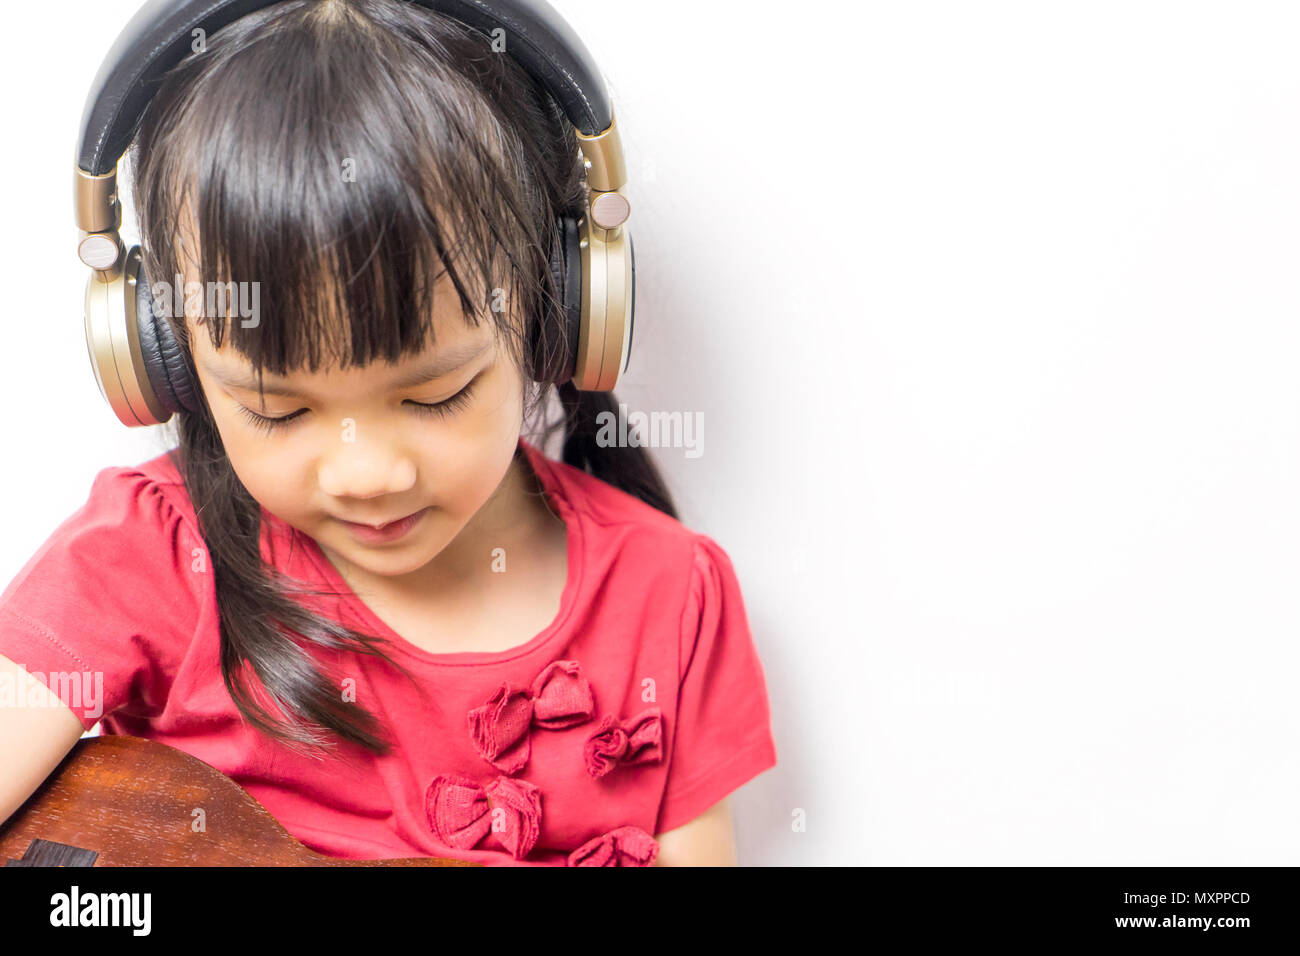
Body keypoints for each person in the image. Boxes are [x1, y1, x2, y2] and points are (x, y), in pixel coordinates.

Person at [0, 0, 776, 866]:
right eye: (277, 410)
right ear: (168, 363)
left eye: (437, 394)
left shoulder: (671, 600)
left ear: (557, 317)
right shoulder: (143, 563)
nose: (365, 473)